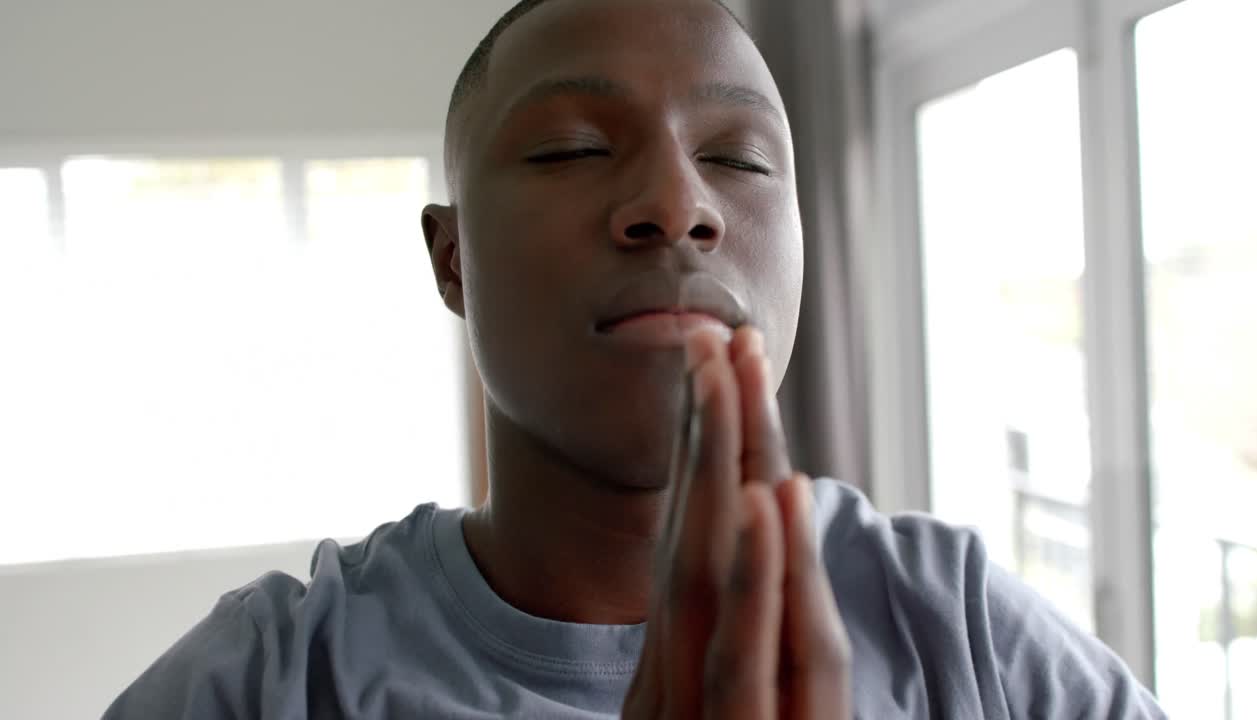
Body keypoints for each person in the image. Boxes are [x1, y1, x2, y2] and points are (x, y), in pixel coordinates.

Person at [104, 0, 1168, 717]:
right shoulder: (274, 681)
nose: (676, 205)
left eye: (735, 159)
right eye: (572, 149)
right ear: (452, 257)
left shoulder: (964, 634)